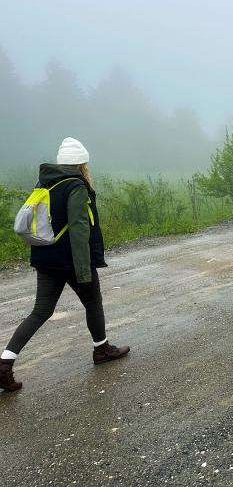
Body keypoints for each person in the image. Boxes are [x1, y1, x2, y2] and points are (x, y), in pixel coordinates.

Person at [1, 138, 130, 393]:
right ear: (81, 164)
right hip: (71, 259)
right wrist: (84, 270)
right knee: (93, 302)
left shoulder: (45, 182)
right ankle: (101, 349)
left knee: (40, 312)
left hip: (45, 257)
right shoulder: (75, 187)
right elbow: (79, 229)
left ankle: (4, 363)